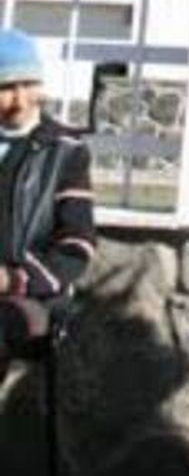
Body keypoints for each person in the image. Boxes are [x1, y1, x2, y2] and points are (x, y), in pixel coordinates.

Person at [0, 30, 97, 379]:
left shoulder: (66, 152)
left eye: (28, 85)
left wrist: (12, 278)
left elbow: (77, 246)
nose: (20, 100)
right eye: (6, 87)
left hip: (34, 297)